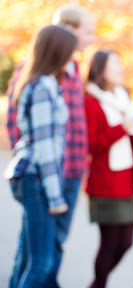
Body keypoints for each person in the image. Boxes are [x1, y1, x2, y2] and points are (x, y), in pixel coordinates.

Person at [5, 4, 95, 287]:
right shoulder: (44, 84)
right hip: (44, 177)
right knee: (40, 260)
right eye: (87, 32)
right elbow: (41, 143)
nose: (87, 41)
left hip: (54, 174)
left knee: (40, 253)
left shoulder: (54, 77)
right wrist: (55, 196)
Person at [84, 49, 133, 288]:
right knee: (109, 244)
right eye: (115, 64)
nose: (121, 68)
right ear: (100, 68)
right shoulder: (91, 101)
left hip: (126, 181)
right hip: (105, 183)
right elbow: (92, 145)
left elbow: (130, 138)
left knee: (126, 242)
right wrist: (122, 128)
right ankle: (99, 285)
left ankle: (96, 284)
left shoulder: (122, 97)